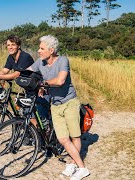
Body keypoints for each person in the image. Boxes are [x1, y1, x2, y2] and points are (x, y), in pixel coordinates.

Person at [28, 35, 90, 180]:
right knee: (63, 139)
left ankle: (79, 166)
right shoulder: (40, 63)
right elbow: (25, 71)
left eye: (42, 48)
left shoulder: (63, 60)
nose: (38, 51)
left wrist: (44, 84)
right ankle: (76, 165)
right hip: (55, 105)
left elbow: (61, 80)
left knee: (74, 135)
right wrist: (6, 76)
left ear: (51, 50)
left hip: (69, 102)